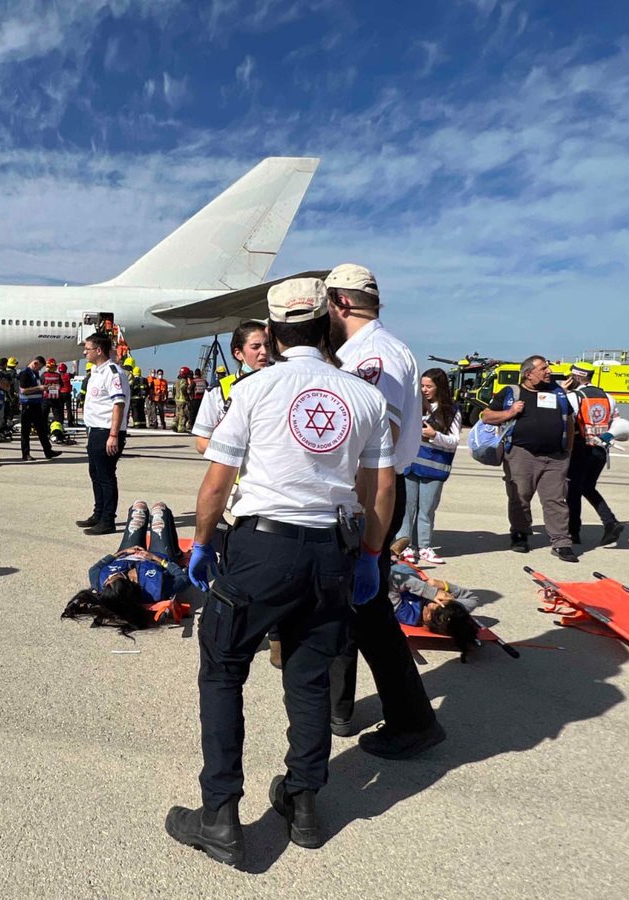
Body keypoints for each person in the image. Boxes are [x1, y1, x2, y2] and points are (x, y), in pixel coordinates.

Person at [165, 277, 395, 866]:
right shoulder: (362, 396)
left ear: (271, 331)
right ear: (326, 322)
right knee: (310, 681)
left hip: (261, 550)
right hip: (331, 554)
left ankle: (220, 815)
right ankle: (304, 801)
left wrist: (204, 540)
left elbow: (217, 479)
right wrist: (370, 554)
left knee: (222, 671)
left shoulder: (255, 389)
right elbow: (378, 486)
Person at [324, 262, 443, 756]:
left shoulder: (373, 356)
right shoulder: (368, 349)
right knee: (352, 609)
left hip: (368, 498)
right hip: (366, 495)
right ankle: (341, 707)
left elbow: (381, 439)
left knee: (368, 613)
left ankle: (414, 720)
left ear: (341, 304)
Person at [480, 355, 576, 561]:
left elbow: (569, 421)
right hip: (522, 454)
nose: (549, 371)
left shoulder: (558, 393)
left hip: (555, 457)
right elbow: (486, 416)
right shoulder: (511, 393)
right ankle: (520, 533)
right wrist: (510, 412)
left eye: (548, 368)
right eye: (543, 369)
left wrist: (568, 450)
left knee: (556, 500)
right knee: (520, 496)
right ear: (528, 374)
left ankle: (561, 543)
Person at [62, 501, 188, 633]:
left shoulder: (102, 584)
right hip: (159, 557)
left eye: (107, 581)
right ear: (126, 583)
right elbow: (183, 579)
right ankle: (176, 552)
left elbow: (95, 568)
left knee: (138, 509)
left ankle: (140, 523)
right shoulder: (156, 588)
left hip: (128, 554)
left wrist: (121, 553)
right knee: (159, 511)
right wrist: (157, 559)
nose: (109, 577)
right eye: (113, 578)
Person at [395, 368, 462, 565]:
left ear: (439, 387)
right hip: (410, 465)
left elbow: (454, 440)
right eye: (422, 385)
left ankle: (424, 547)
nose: (424, 390)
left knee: (426, 510)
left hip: (434, 468)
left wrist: (434, 435)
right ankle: (405, 546)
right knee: (407, 508)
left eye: (429, 386)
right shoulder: (413, 406)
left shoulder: (451, 411)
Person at [76, 333, 130, 536]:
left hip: (107, 431)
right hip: (95, 430)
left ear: (98, 350)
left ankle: (108, 520)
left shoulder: (113, 372)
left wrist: (114, 435)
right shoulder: (96, 372)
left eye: (87, 348)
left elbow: (118, 404)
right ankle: (98, 513)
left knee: (106, 476)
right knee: (95, 474)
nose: (84, 352)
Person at [564, 362, 623, 547]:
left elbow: (566, 420)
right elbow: (617, 423)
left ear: (577, 377)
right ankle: (610, 522)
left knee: (573, 490)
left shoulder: (573, 397)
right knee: (587, 487)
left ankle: (573, 532)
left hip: (581, 448)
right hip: (600, 450)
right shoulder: (608, 397)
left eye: (571, 377)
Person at [192, 321, 270, 454]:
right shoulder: (219, 390)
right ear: (238, 353)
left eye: (267, 346)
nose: (264, 352)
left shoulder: (284, 383)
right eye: (255, 347)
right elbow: (201, 442)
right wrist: (242, 453)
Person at [17, 356, 61, 461]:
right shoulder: (25, 373)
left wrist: (44, 389)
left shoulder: (34, 373)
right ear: (35, 363)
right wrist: (39, 388)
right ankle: (26, 453)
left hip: (36, 405)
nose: (39, 370)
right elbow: (23, 390)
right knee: (26, 431)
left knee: (42, 429)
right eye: (39, 367)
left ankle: (48, 451)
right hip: (27, 406)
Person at [173, 367, 192, 433]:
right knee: (183, 414)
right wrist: (187, 395)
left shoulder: (177, 381)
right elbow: (183, 388)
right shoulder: (184, 380)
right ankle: (181, 428)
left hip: (177, 400)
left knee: (177, 413)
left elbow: (174, 390)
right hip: (183, 400)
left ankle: (174, 423)